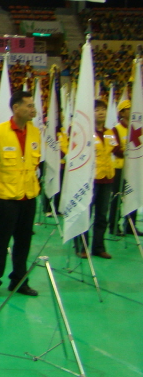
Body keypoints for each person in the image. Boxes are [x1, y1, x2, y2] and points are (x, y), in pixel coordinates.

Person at [0, 91, 41, 298]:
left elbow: (35, 162)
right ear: (16, 108)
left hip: (28, 196)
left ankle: (19, 281)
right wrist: (3, 181)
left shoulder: (35, 132)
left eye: (33, 106)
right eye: (29, 105)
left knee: (23, 241)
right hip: (6, 197)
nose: (33, 109)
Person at [76, 100, 122, 259]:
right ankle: (81, 247)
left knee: (102, 215)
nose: (101, 112)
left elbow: (118, 151)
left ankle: (98, 247)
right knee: (85, 214)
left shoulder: (110, 132)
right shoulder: (86, 132)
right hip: (90, 180)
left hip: (107, 178)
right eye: (97, 110)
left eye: (103, 109)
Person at [109, 100, 134, 235]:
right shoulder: (115, 129)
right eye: (128, 109)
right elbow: (114, 148)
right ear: (122, 112)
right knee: (117, 197)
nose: (131, 111)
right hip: (119, 169)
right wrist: (128, 152)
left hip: (133, 169)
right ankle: (113, 225)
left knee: (133, 195)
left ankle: (130, 226)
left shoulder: (136, 129)